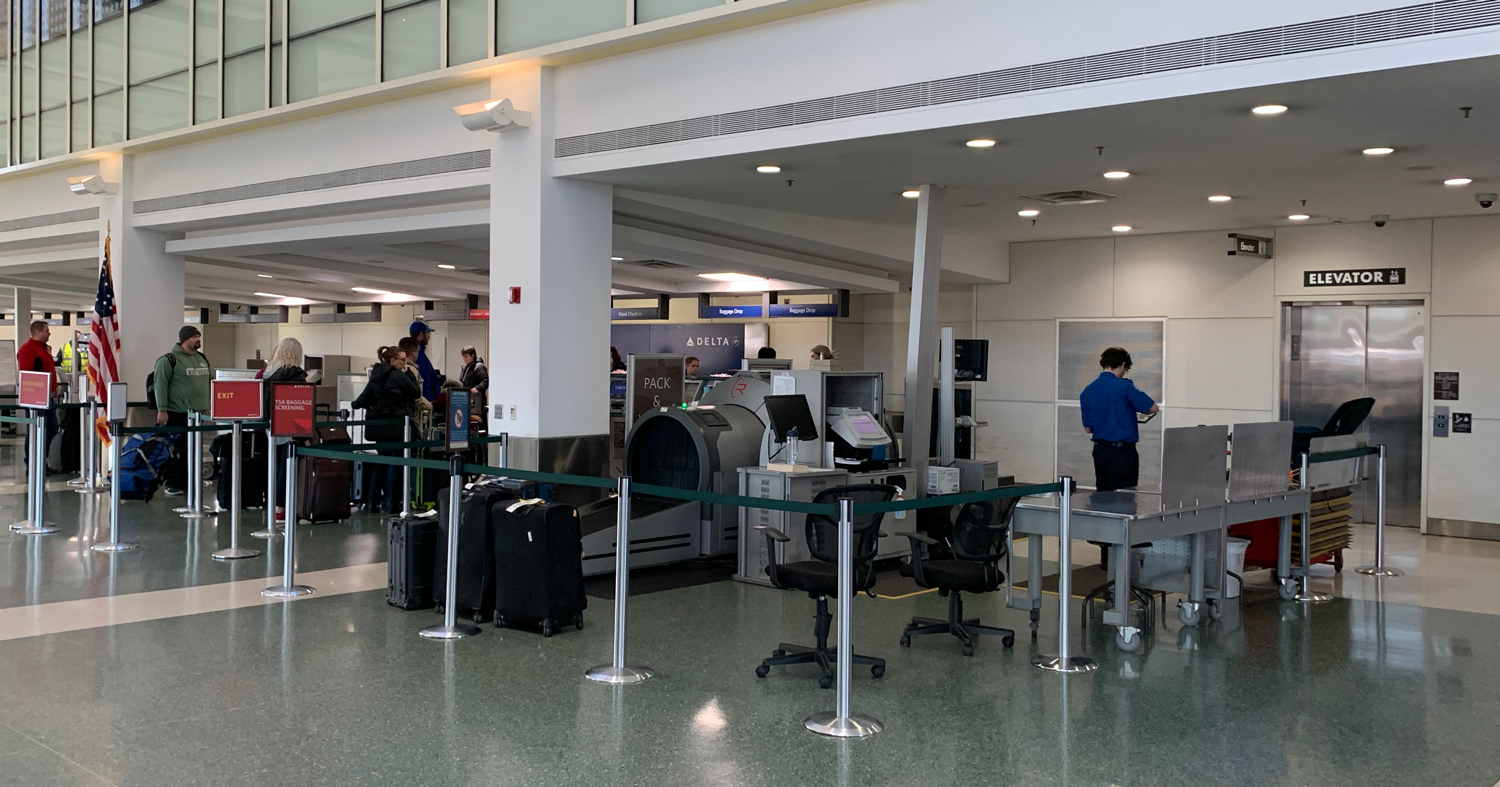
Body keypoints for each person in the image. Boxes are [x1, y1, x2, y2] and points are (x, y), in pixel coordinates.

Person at [1079, 346, 1158, 492]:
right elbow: (1153, 407)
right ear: (1122, 364)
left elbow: (1088, 428)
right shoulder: (1125, 387)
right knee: (1124, 497)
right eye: (1126, 369)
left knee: (1103, 494)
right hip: (1122, 453)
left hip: (1100, 451)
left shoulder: (1087, 391)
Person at [353, 346, 422, 513]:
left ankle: (372, 502)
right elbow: (415, 392)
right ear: (393, 361)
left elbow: (358, 402)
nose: (405, 363)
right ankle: (393, 503)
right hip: (397, 428)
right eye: (402, 360)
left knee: (380, 464)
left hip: (378, 429)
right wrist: (409, 374)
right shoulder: (399, 376)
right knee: (397, 465)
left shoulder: (375, 377)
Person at [153, 326, 213, 496]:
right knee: (179, 451)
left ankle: (191, 481)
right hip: (177, 413)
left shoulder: (201, 358)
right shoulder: (168, 361)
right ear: (185, 339)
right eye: (195, 336)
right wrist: (162, 409)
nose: (198, 339)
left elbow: (209, 381)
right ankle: (174, 483)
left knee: (195, 450)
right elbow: (160, 386)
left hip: (199, 414)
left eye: (199, 335)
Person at [260, 338, 308, 525]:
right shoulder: (295, 375)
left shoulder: (268, 372)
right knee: (287, 467)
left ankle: (274, 505)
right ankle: (282, 506)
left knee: (275, 465)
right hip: (291, 426)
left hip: (271, 426)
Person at [16, 320, 59, 466]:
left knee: (51, 429)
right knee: (35, 430)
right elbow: (27, 375)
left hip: (47, 398)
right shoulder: (27, 349)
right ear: (38, 332)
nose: (49, 333)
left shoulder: (43, 349)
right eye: (47, 330)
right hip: (36, 399)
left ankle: (42, 460)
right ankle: (33, 462)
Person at [408, 321, 440, 402]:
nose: (429, 336)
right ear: (420, 334)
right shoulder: (418, 355)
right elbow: (424, 381)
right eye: (428, 333)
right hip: (425, 402)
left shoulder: (421, 353)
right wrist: (427, 402)